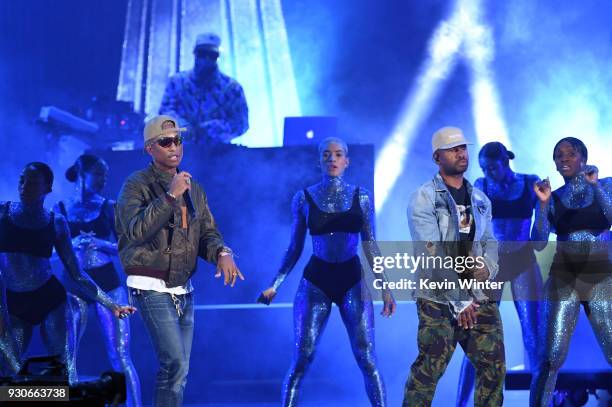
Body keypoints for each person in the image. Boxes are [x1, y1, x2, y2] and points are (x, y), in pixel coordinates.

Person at [115, 114, 244, 407]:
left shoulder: (192, 187)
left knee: (179, 372)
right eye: (166, 141)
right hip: (150, 285)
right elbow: (135, 231)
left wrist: (223, 253)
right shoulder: (136, 185)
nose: (174, 146)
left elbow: (207, 233)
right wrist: (170, 198)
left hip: (183, 289)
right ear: (150, 148)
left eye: (178, 140)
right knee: (174, 365)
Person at [258, 137, 396, 407]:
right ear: (318, 160)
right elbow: (294, 248)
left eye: (338, 154)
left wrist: (385, 286)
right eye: (326, 155)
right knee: (302, 357)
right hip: (316, 282)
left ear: (347, 161)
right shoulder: (304, 198)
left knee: (367, 358)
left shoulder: (362, 196)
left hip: (352, 280)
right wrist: (275, 284)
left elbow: (371, 246)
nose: (332, 159)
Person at [0, 162, 135, 382]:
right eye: (22, 180)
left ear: (47, 189)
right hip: (12, 302)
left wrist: (113, 305)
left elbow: (78, 274)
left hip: (49, 300)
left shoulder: (57, 222)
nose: (25, 187)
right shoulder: (3, 212)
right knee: (10, 373)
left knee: (65, 372)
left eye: (33, 183)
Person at [404, 127, 505, 407]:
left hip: (477, 295)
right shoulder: (423, 198)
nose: (461, 154)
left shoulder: (480, 199)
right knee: (428, 372)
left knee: (494, 369)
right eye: (453, 149)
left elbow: (490, 241)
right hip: (438, 298)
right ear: (438, 157)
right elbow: (431, 251)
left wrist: (489, 267)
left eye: (463, 148)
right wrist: (459, 301)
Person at [456, 142, 543, 406]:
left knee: (534, 338)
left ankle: (541, 402)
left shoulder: (530, 183)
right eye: (484, 168)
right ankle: (459, 403)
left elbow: (539, 239)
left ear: (506, 161)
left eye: (493, 167)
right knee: (475, 339)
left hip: (523, 260)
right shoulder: (479, 186)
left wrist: (545, 206)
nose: (489, 172)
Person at [530, 137, 611, 407]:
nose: (563, 158)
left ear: (583, 158)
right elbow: (539, 241)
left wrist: (595, 186)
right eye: (558, 155)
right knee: (550, 357)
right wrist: (541, 206)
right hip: (564, 277)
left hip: (600, 277)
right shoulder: (551, 197)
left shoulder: (605, 185)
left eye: (570, 153)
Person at [54, 154, 142, 407]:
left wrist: (100, 243)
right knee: (67, 357)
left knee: (121, 354)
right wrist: (72, 243)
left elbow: (129, 247)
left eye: (105, 174)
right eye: (99, 174)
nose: (104, 179)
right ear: (83, 175)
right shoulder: (60, 209)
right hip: (74, 287)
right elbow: (48, 251)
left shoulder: (109, 207)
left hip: (108, 285)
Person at [159, 32, 249, 145]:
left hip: (218, 153)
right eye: (202, 53)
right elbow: (164, 113)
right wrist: (180, 126)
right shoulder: (177, 83)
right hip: (182, 151)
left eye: (211, 55)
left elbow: (241, 123)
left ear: (217, 57)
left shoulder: (232, 88)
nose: (206, 59)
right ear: (195, 54)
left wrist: (217, 128)